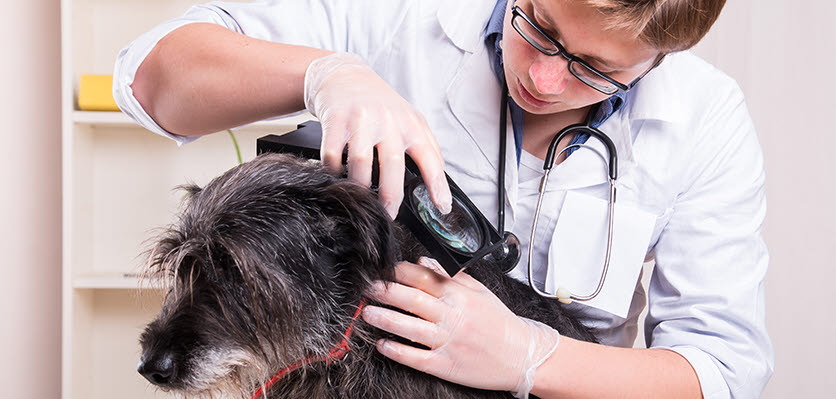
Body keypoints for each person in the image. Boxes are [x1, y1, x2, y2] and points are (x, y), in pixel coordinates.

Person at [113, 0, 774, 397]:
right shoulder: (401, 14)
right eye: (539, 24)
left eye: (596, 69)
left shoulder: (706, 120)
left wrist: (528, 354)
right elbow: (152, 80)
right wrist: (326, 74)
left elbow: (717, 373)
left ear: (659, 59)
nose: (544, 79)